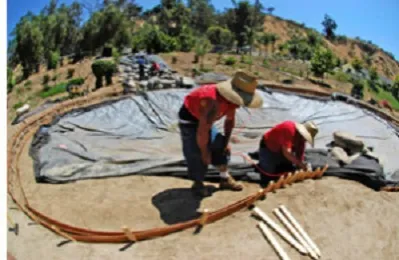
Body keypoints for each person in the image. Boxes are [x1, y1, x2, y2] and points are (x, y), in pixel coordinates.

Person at [178, 71, 263, 196]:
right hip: (190, 121)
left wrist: (226, 141)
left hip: (205, 121)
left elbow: (230, 120)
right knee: (196, 153)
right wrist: (205, 153)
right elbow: (202, 131)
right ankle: (198, 183)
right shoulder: (212, 102)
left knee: (221, 146)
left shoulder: (231, 102)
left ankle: (224, 178)